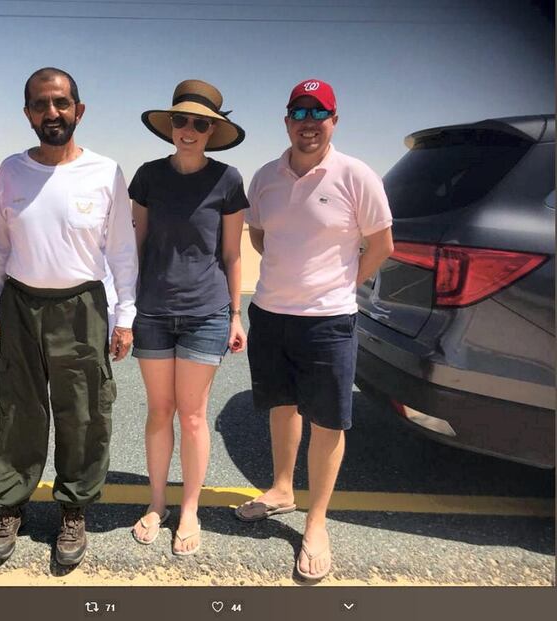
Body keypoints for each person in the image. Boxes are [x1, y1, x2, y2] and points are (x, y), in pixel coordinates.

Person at [236, 79, 393, 581]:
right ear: (286, 121)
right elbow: (259, 235)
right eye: (299, 112)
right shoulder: (264, 176)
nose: (308, 122)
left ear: (333, 121)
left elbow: (381, 245)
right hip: (271, 313)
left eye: (318, 112)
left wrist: (342, 284)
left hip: (329, 319)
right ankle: (282, 488)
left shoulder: (356, 175)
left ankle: (317, 520)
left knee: (328, 421)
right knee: (282, 407)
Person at [0, 67, 137, 566]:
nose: (53, 113)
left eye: (62, 103)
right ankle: (11, 503)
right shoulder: (10, 171)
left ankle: (74, 508)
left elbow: (122, 251)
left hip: (83, 305)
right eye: (42, 105)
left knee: (85, 412)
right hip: (20, 304)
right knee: (19, 408)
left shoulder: (107, 171)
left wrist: (125, 315)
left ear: (79, 110)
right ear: (28, 114)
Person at [129, 80, 248, 556]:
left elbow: (234, 254)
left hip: (207, 312)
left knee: (194, 416)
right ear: (170, 125)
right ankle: (157, 503)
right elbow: (133, 246)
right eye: (182, 120)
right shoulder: (148, 176)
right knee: (159, 411)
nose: (189, 130)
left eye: (201, 123)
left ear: (213, 130)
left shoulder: (228, 180)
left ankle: (191, 507)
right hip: (153, 310)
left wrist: (237, 316)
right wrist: (124, 307)